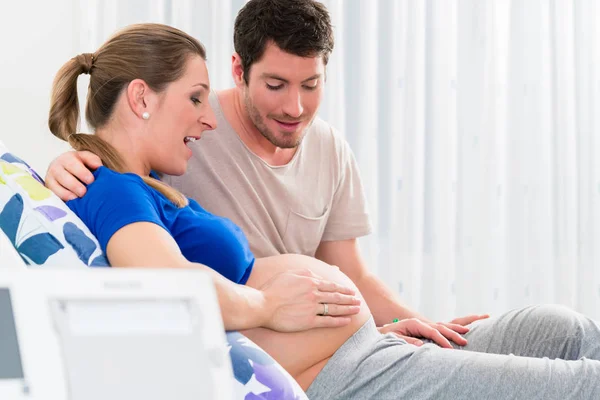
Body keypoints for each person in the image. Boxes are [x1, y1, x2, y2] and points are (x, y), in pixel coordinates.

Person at [47, 4, 600, 400]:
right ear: (239, 73)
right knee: (578, 386)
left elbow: (348, 268)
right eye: (195, 98)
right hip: (336, 371)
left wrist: (416, 323)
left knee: (563, 329)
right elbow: (165, 282)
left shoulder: (149, 181)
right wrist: (268, 307)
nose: (296, 105)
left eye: (311, 84)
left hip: (361, 343)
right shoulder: (115, 178)